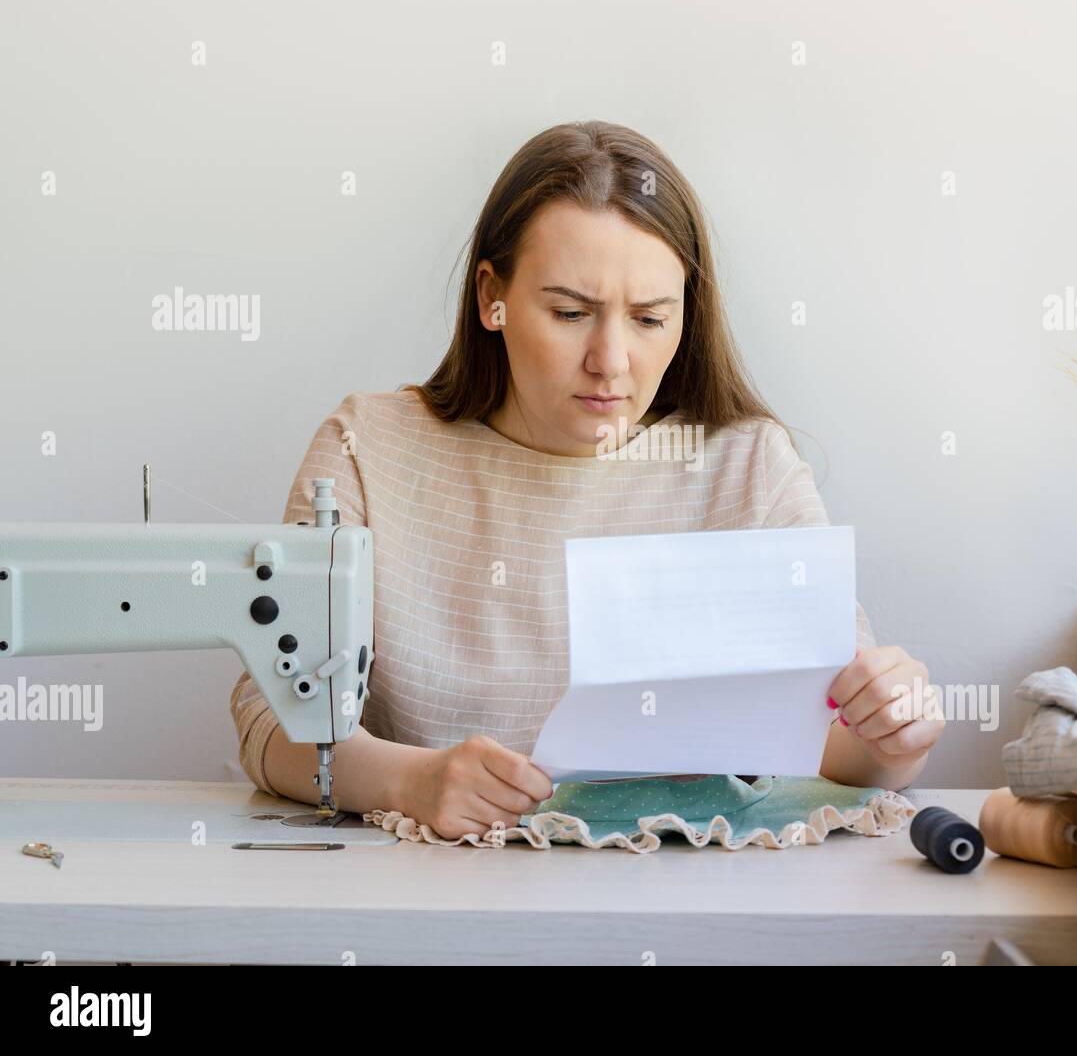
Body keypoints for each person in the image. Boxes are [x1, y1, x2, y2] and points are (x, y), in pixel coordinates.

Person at [230, 120, 943, 840]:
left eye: (649, 318)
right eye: (570, 313)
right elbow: (269, 718)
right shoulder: (369, 449)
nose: (611, 359)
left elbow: (840, 750)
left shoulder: (746, 467)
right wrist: (410, 780)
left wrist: (893, 736)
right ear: (492, 299)